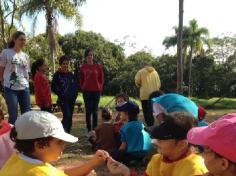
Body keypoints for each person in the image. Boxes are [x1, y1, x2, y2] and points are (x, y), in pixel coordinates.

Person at [0, 111, 109, 176]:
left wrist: (91, 164)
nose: (64, 145)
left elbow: (58, 173)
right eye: (59, 142)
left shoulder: (18, 159)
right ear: (39, 145)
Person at [107, 112, 208, 176]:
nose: (155, 142)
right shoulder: (157, 159)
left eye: (162, 140)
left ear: (182, 144)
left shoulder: (194, 168)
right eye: (156, 138)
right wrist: (126, 172)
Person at [0, 31, 30, 124]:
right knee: (13, 115)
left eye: (24, 40)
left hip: (24, 88)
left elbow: (26, 72)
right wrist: (2, 82)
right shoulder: (6, 52)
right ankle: (12, 137)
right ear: (14, 40)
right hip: (10, 88)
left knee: (27, 115)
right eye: (20, 39)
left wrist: (27, 84)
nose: (23, 42)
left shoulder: (25, 56)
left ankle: (25, 137)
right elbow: (1, 68)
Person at [111, 101, 152, 165]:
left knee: (113, 154)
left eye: (121, 112)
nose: (119, 113)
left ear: (126, 113)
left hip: (133, 154)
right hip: (146, 153)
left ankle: (133, 161)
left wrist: (116, 154)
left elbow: (123, 147)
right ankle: (139, 160)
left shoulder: (125, 128)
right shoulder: (141, 124)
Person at [51, 55, 78, 133]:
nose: (65, 65)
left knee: (70, 117)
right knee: (67, 115)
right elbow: (53, 87)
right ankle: (62, 131)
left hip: (71, 100)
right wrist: (60, 94)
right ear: (60, 64)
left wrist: (75, 95)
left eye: (67, 63)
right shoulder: (57, 75)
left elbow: (75, 86)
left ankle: (68, 133)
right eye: (63, 63)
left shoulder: (71, 75)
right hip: (63, 100)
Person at [80, 48, 104, 132]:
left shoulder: (98, 67)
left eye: (91, 55)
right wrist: (83, 87)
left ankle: (95, 129)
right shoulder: (83, 67)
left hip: (96, 91)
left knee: (95, 111)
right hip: (87, 92)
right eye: (88, 55)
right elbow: (81, 79)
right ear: (86, 57)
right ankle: (89, 129)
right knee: (88, 110)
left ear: (93, 56)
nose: (90, 56)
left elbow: (101, 78)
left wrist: (100, 87)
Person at [135, 63, 161, 127]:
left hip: (145, 95)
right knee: (153, 110)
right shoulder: (155, 72)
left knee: (146, 111)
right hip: (155, 95)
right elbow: (159, 84)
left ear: (144, 66)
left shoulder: (140, 72)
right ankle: (156, 124)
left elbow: (137, 81)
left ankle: (150, 125)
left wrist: (140, 85)